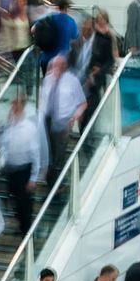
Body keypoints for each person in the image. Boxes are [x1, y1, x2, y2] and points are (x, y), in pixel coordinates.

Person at [39, 55, 87, 186]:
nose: (56, 69)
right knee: (49, 154)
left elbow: (82, 103)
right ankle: (53, 183)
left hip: (63, 123)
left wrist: (73, 119)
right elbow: (43, 100)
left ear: (65, 67)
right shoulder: (47, 80)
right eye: (54, 66)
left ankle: (56, 185)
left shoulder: (72, 81)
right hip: (47, 121)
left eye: (59, 66)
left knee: (58, 157)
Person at [1, 94, 44, 236]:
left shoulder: (29, 127)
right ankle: (21, 226)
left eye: (16, 106)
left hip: (24, 169)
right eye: (12, 105)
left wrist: (33, 178)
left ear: (22, 107)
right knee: (14, 199)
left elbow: (35, 153)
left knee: (24, 202)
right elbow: (4, 144)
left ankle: (27, 230)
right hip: (11, 168)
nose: (13, 108)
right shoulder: (11, 125)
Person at [33, 0, 79, 72]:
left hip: (46, 58)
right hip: (61, 61)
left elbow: (33, 29)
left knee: (48, 81)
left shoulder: (48, 17)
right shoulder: (70, 21)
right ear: (66, 7)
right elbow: (75, 36)